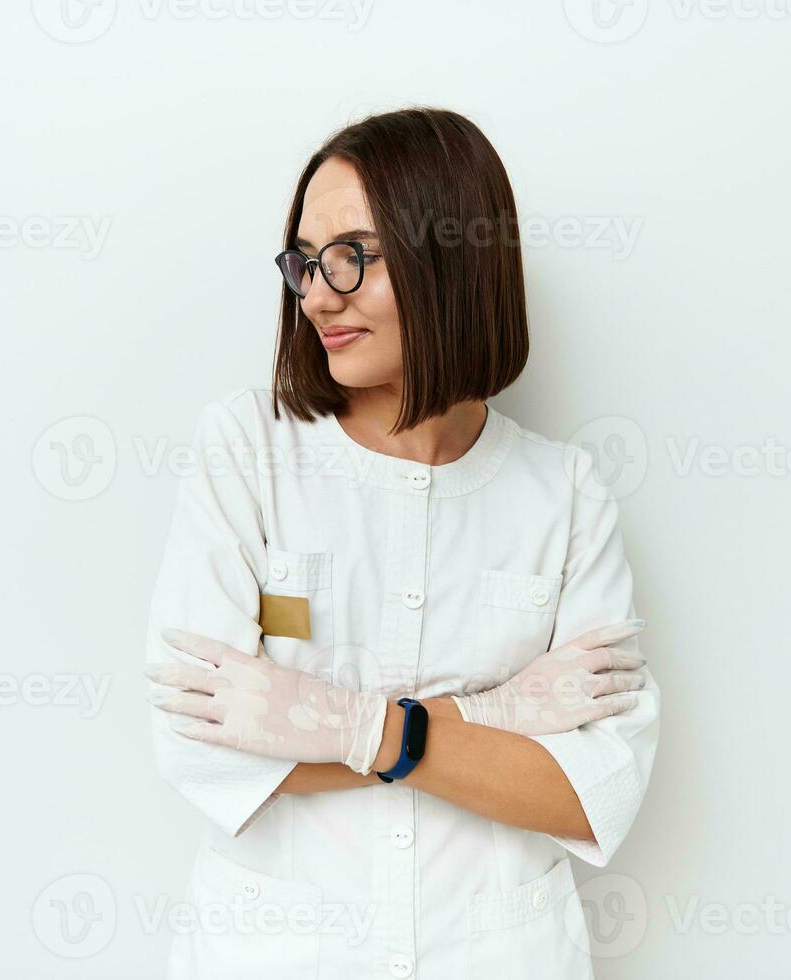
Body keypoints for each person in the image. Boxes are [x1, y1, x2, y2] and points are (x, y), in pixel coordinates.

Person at [143, 106, 659, 979]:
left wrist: (339, 726)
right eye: (304, 262)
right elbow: (202, 744)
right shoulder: (247, 451)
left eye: (350, 254)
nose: (316, 293)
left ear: (451, 256)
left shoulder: (563, 495)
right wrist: (494, 717)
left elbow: (589, 792)